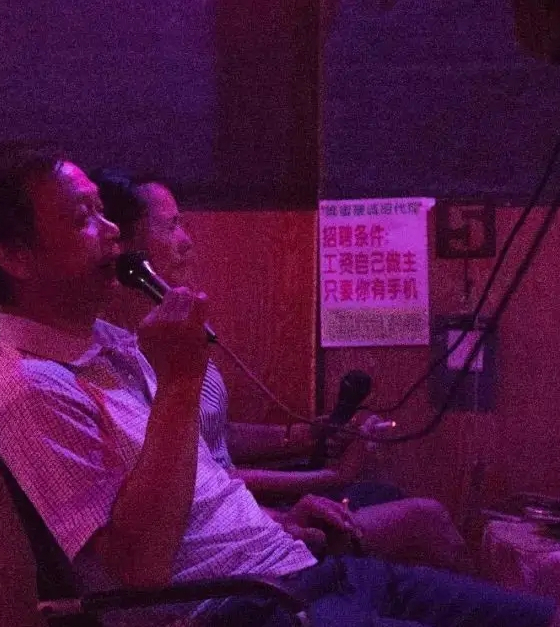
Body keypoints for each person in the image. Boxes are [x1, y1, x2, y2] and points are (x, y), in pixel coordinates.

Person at [0, 142, 560, 627]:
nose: (112, 230)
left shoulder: (110, 344)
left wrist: (280, 515)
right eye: (82, 218)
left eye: (103, 210)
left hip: (292, 569)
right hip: (236, 625)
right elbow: (137, 570)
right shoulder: (31, 391)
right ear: (15, 256)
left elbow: (204, 484)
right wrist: (180, 382)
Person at [92, 167, 470, 572]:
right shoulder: (135, 356)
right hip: (234, 523)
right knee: (425, 521)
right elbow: (208, 474)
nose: (186, 241)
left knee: (386, 495)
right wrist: (330, 477)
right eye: (170, 227)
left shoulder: (170, 330)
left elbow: (219, 433)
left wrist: (305, 435)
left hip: (248, 511)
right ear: (128, 246)